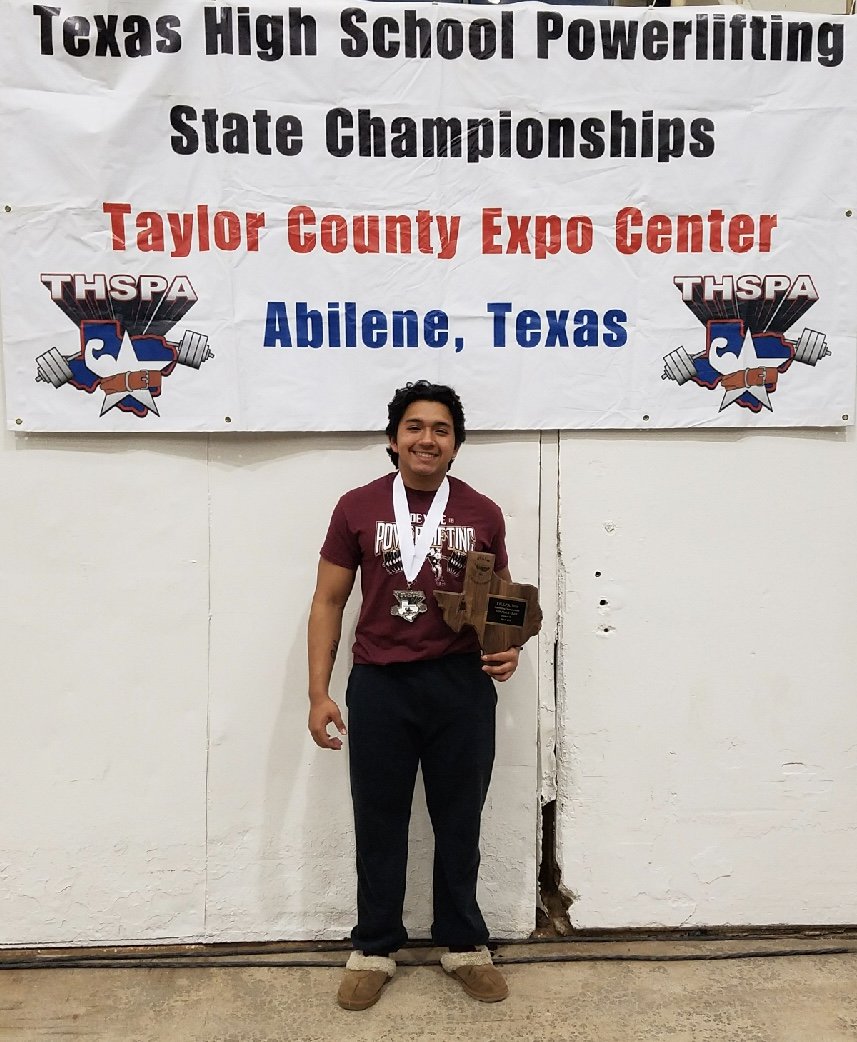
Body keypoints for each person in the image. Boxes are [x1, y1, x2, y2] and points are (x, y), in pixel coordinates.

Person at [307, 379, 522, 1011]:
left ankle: (463, 943)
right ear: (394, 439)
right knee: (379, 820)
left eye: (441, 429)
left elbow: (502, 595)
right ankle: (375, 946)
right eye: (415, 427)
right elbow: (327, 601)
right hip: (379, 684)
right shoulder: (356, 507)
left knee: (460, 819)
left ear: (456, 445)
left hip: (459, 686)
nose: (427, 439)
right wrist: (318, 693)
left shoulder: (482, 512)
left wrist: (508, 644)